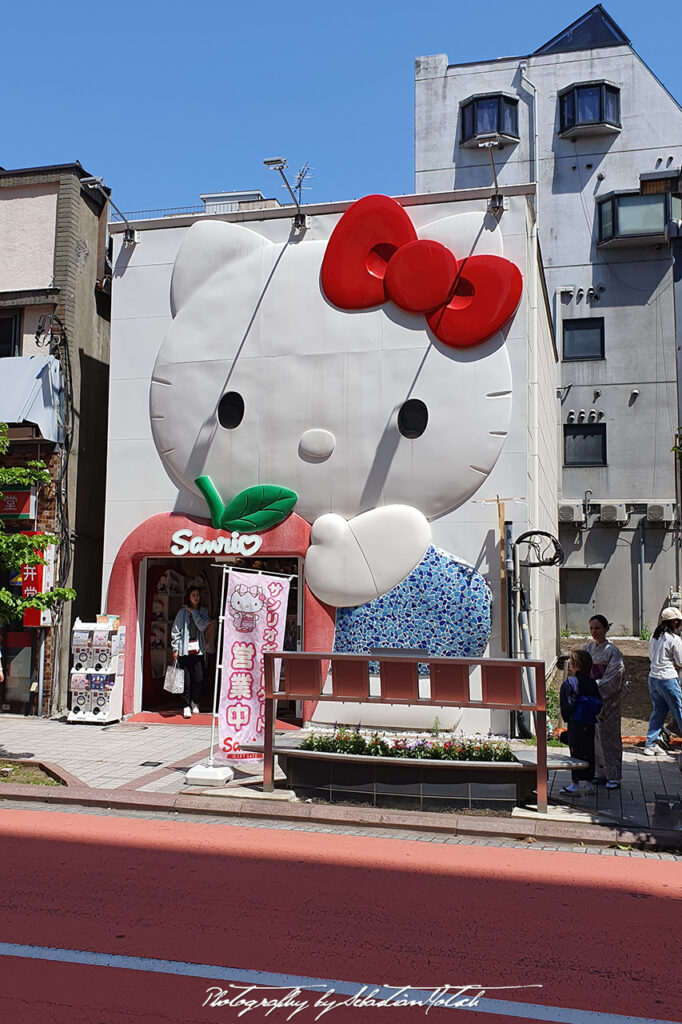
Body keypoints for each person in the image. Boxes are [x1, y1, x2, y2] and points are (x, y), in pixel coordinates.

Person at [583, 614, 625, 789]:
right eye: (591, 628)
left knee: (609, 737)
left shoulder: (612, 651)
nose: (594, 632)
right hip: (591, 699)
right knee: (593, 737)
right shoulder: (587, 648)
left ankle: (613, 775)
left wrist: (595, 686)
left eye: (598, 628)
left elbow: (615, 676)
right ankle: (598, 772)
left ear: (606, 629)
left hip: (608, 701)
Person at [559, 649, 602, 796]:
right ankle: (589, 784)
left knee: (575, 752)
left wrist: (567, 717)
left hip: (576, 722)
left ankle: (575, 784)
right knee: (590, 750)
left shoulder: (570, 683)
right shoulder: (593, 683)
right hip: (590, 721)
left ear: (574, 665)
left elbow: (566, 705)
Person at [643, 607, 682, 756]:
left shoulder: (654, 636)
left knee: (659, 711)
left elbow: (652, 657)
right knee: (679, 711)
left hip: (653, 678)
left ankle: (651, 744)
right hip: (668, 678)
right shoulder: (674, 639)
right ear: (674, 622)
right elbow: (680, 661)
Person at [171, 586, 209, 718]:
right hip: (184, 649)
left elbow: (203, 626)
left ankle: (195, 701)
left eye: (197, 595)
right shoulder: (182, 612)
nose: (196, 597)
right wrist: (175, 648)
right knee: (185, 680)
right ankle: (185, 705)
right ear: (188, 596)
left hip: (198, 650)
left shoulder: (203, 612)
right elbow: (176, 630)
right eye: (193, 595)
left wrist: (193, 613)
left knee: (199, 678)